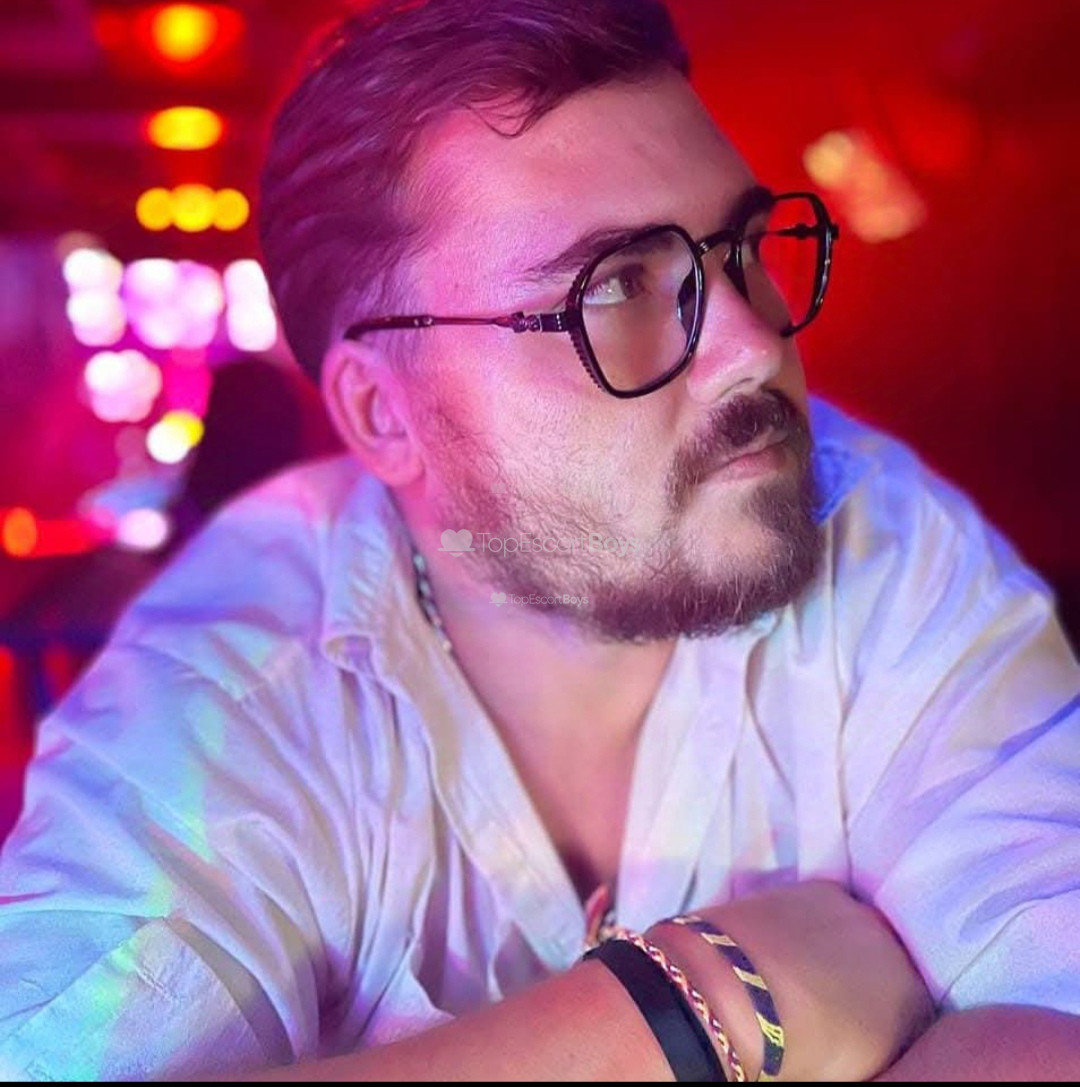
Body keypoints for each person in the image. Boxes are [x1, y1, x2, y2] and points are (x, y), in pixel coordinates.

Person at [2, 0, 1078, 1080]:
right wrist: (701, 1004)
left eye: (742, 249)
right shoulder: (229, 682)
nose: (753, 345)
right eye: (614, 285)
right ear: (384, 414)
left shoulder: (877, 532)